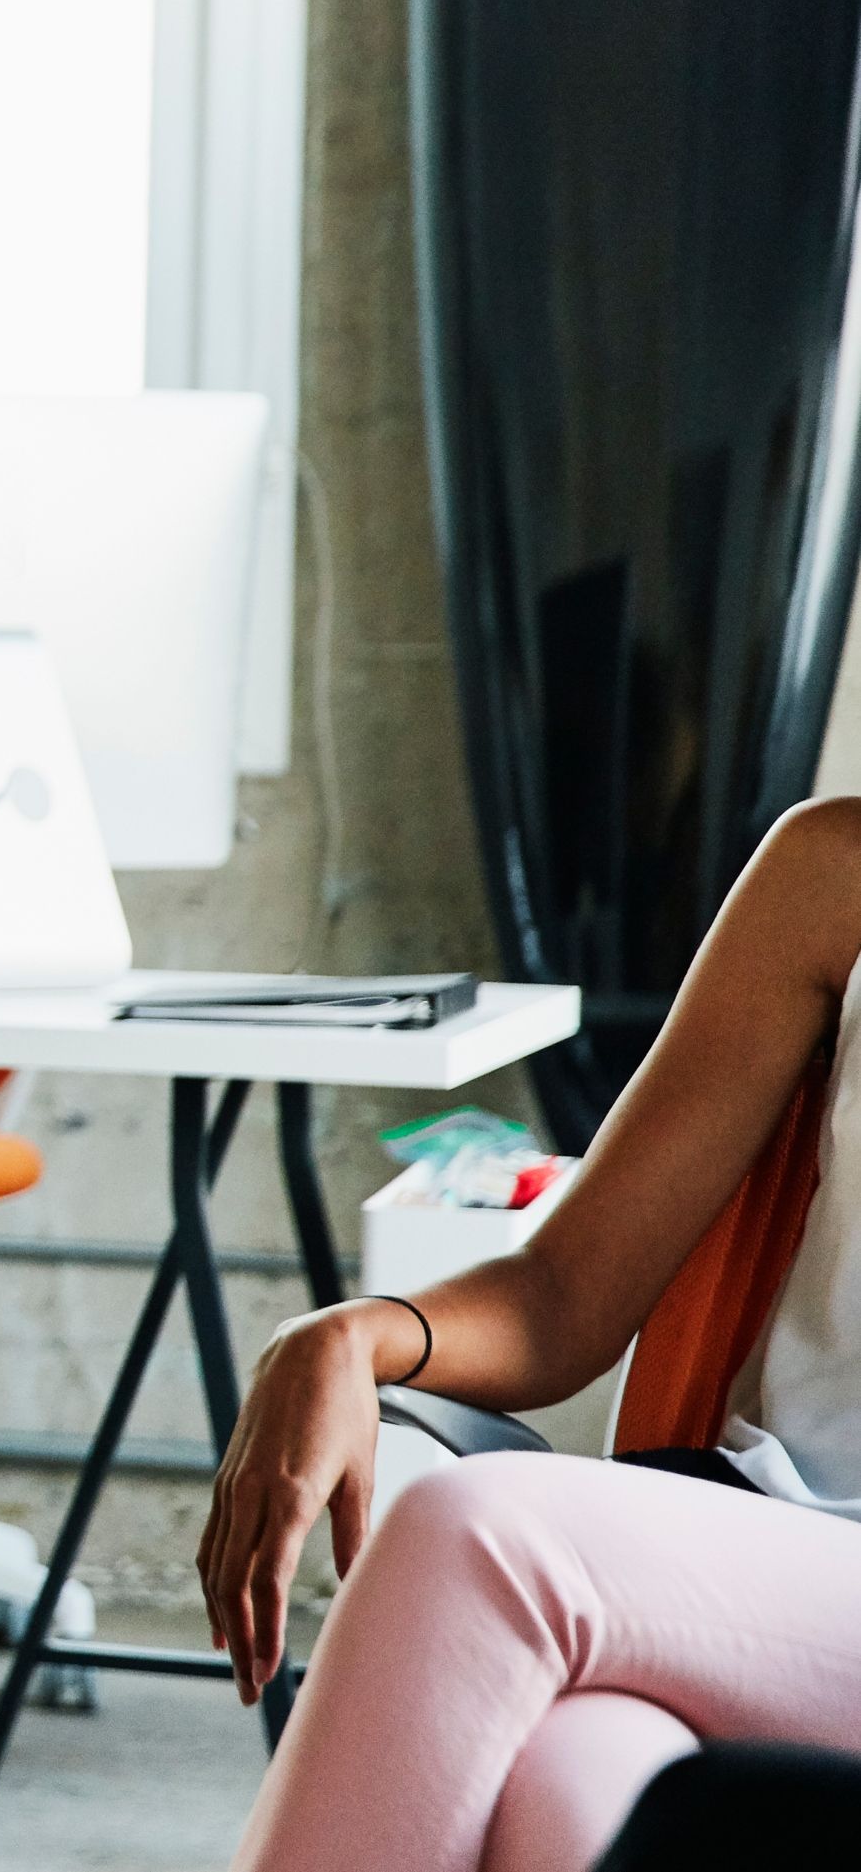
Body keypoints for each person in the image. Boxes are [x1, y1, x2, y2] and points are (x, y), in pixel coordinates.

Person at [201, 799, 861, 1872]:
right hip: (751, 1543)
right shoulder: (834, 870)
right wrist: (353, 1334)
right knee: (558, 1788)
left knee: (482, 1537)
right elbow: (564, 1292)